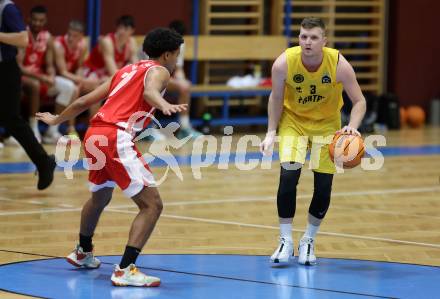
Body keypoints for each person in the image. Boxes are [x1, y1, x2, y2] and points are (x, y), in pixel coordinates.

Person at [36, 28, 186, 286]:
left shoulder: (125, 70)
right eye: (176, 55)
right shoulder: (160, 70)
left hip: (95, 133)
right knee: (152, 205)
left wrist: (57, 119)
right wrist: (163, 105)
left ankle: (83, 251)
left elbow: (84, 100)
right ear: (167, 54)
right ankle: (126, 268)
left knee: (100, 196)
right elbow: (151, 92)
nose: (176, 60)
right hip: (117, 136)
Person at [260, 17, 366, 265]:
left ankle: (308, 239)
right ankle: (285, 240)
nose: (307, 42)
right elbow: (275, 99)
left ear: (324, 41)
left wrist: (352, 127)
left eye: (314, 37)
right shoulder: (284, 63)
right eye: (303, 36)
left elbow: (359, 101)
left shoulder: (338, 64)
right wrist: (270, 131)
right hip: (293, 123)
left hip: (327, 126)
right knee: (288, 177)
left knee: (323, 186)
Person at [0, 0, 55, 189]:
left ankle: (44, 161)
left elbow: (23, 39)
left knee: (12, 120)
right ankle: (43, 161)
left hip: (5, 70)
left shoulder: (7, 8)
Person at [17, 5, 78, 143]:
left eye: (41, 20)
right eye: (35, 20)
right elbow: (19, 67)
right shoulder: (22, 35)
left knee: (69, 86)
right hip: (24, 78)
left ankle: (52, 130)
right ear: (29, 19)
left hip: (40, 77)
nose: (37, 23)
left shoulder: (48, 37)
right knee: (35, 84)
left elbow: (49, 64)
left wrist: (50, 75)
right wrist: (42, 77)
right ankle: (34, 129)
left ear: (45, 21)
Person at [54, 20, 98, 135]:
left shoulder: (82, 46)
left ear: (81, 37)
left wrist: (79, 79)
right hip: (56, 78)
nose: (71, 38)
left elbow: (79, 67)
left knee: (95, 89)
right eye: (69, 34)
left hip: (72, 78)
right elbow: (62, 72)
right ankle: (71, 128)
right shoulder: (59, 45)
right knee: (74, 88)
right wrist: (81, 80)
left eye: (75, 36)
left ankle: (93, 128)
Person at [166, 20, 201, 139]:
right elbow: (153, 71)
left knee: (185, 87)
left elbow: (179, 68)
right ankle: (149, 128)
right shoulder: (159, 44)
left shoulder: (180, 44)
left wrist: (182, 80)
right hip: (151, 78)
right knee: (155, 88)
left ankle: (184, 128)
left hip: (166, 78)